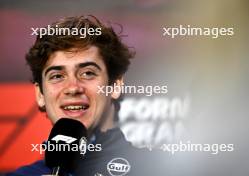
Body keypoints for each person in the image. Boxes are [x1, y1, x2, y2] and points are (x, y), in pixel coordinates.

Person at [6, 15, 175, 176]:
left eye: (87, 73)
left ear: (115, 85)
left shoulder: (164, 169)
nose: (72, 88)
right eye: (57, 76)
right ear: (40, 94)